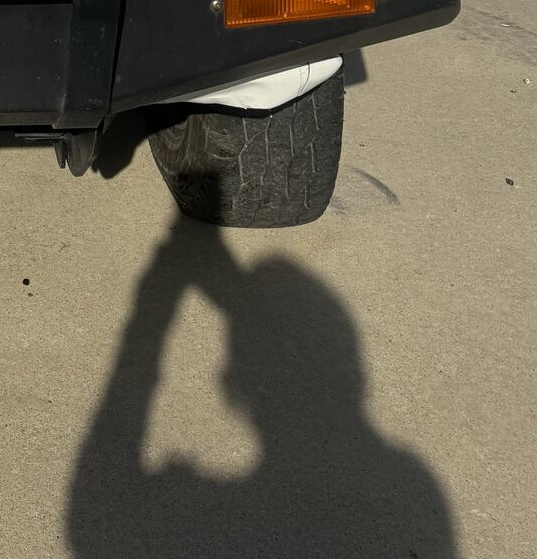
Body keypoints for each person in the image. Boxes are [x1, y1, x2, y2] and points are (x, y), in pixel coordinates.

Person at [65, 216, 455, 558]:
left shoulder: (413, 483)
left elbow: (88, 520)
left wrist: (155, 304)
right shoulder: (410, 489)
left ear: (231, 382)